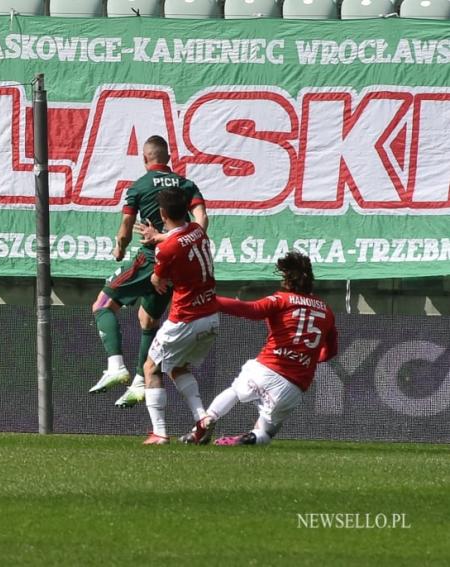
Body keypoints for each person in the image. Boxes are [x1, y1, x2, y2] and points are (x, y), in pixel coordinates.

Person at [90, 135, 208, 409]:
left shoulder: (139, 186)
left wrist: (119, 248)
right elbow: (201, 219)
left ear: (145, 159)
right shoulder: (186, 184)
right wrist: (184, 240)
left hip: (151, 260)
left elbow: (126, 227)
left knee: (102, 304)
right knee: (147, 320)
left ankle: (116, 365)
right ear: (168, 158)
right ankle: (141, 383)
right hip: (177, 266)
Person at [182, 251, 338, 446]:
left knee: (235, 391)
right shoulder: (326, 310)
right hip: (293, 386)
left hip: (267, 368)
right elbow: (331, 351)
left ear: (288, 279)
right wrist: (310, 359)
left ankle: (205, 423)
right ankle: (248, 439)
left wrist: (212, 302)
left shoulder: (282, 299)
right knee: (266, 433)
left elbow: (252, 310)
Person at [141, 187, 218, 445]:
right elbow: (178, 240)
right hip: (210, 316)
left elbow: (159, 277)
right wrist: (157, 236)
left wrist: (154, 277)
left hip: (185, 319)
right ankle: (202, 419)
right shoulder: (198, 229)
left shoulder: (167, 250)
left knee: (151, 367)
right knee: (177, 367)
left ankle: (159, 433)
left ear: (162, 213)